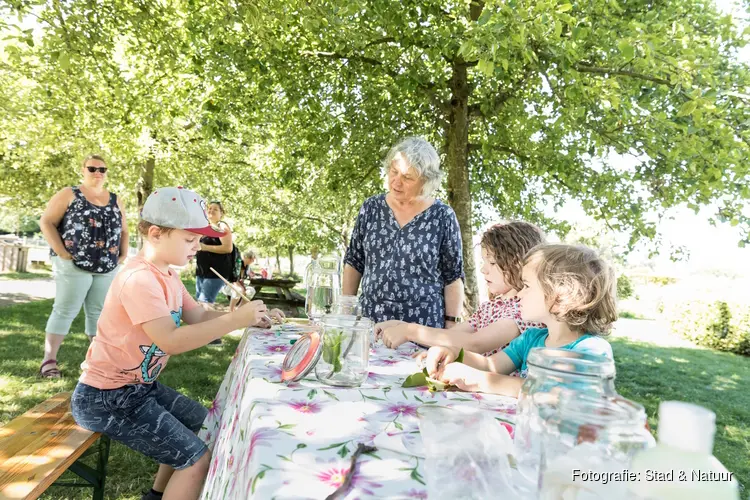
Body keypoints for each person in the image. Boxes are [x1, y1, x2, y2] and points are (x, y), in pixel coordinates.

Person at [70, 187, 284, 500]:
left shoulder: (167, 274)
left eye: (199, 239)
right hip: (105, 397)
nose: (198, 246)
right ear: (156, 233)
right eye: (189, 239)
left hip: (139, 388)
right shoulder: (139, 279)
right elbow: (170, 340)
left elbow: (196, 315)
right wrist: (235, 321)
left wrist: (242, 315)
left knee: (207, 427)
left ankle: (157, 495)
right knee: (197, 461)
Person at [421, 244, 616, 397]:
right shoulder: (531, 338)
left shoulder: (590, 350)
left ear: (560, 296)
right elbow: (491, 365)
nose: (519, 294)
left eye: (527, 286)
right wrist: (454, 354)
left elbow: (554, 393)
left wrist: (480, 380)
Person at [342, 137, 465, 329]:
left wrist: (451, 329)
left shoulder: (442, 216)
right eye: (394, 172)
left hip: (423, 328)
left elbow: (453, 277)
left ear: (426, 181)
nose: (396, 182)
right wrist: (346, 314)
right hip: (372, 323)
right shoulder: (371, 208)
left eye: (407, 177)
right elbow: (354, 262)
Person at [377, 221, 546, 355]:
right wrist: (400, 325)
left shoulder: (524, 311)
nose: (483, 269)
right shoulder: (491, 307)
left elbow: (475, 343)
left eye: (492, 263)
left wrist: (410, 330)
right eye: (484, 262)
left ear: (519, 264)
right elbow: (451, 336)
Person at [38, 154, 128, 378]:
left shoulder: (115, 198)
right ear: (83, 169)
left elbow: (124, 229)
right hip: (73, 264)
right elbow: (46, 221)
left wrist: (123, 254)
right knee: (65, 310)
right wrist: (61, 252)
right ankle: (49, 361)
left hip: (107, 266)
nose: (98, 173)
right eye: (92, 168)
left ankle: (99, 363)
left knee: (99, 313)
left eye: (102, 169)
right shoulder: (70, 194)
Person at [194, 201, 233, 306]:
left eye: (215, 209)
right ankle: (204, 322)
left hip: (216, 272)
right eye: (209, 208)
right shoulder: (204, 227)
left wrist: (205, 247)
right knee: (199, 302)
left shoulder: (222, 226)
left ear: (221, 213)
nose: (211, 210)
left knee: (204, 302)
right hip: (201, 271)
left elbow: (228, 248)